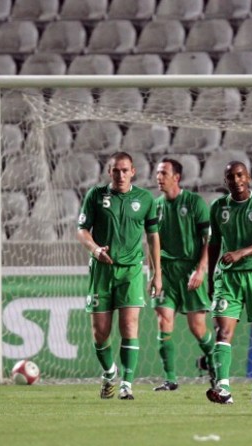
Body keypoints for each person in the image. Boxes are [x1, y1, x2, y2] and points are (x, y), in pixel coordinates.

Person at [76, 151, 162, 400]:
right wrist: (95, 249)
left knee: (129, 326)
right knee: (100, 333)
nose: (121, 174)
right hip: (101, 270)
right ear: (109, 171)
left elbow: (153, 237)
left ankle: (127, 383)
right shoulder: (96, 195)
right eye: (116, 170)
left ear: (133, 172)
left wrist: (157, 273)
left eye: (125, 170)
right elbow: (82, 229)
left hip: (132, 270)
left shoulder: (145, 199)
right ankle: (109, 372)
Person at [205, 161, 252, 405]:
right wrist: (209, 277)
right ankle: (223, 388)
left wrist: (240, 253)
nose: (236, 180)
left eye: (240, 175)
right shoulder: (218, 207)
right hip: (228, 277)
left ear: (248, 176)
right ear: (225, 181)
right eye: (230, 177)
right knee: (223, 330)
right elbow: (214, 244)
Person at [151, 158, 214, 391]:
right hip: (166, 271)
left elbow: (209, 240)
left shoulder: (195, 203)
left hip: (190, 270)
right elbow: (152, 243)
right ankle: (170, 379)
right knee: (163, 320)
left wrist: (201, 269)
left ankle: (215, 365)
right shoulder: (155, 206)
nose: (159, 177)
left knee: (197, 327)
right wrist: (154, 274)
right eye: (158, 173)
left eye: (164, 173)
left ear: (176, 177)